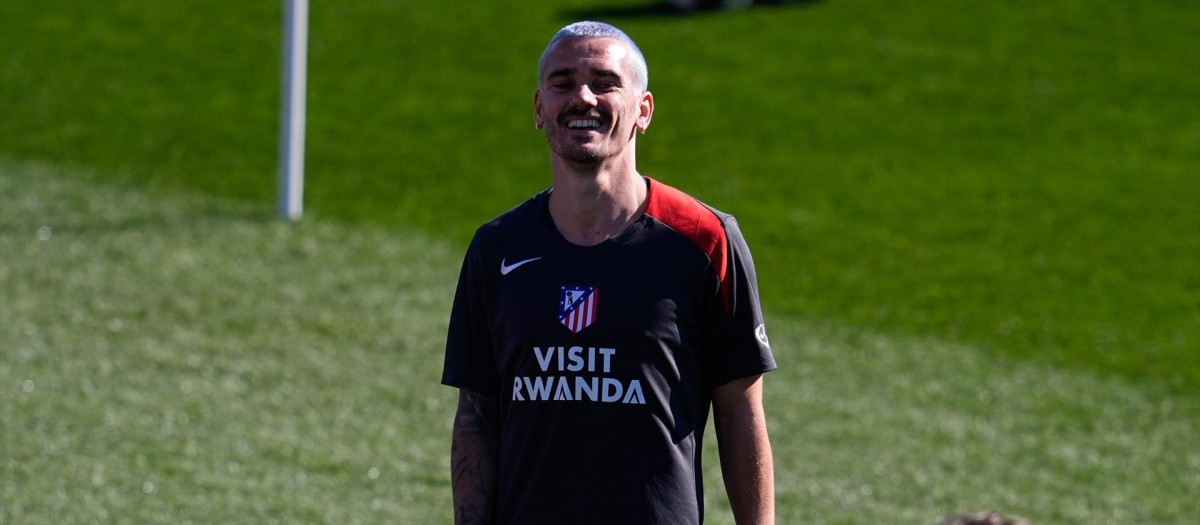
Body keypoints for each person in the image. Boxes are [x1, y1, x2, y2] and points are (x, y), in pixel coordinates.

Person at [442, 20, 777, 524]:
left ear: (643, 111)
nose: (582, 97)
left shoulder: (706, 241)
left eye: (604, 82)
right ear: (539, 109)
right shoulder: (497, 249)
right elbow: (477, 415)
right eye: (562, 83)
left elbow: (741, 414)